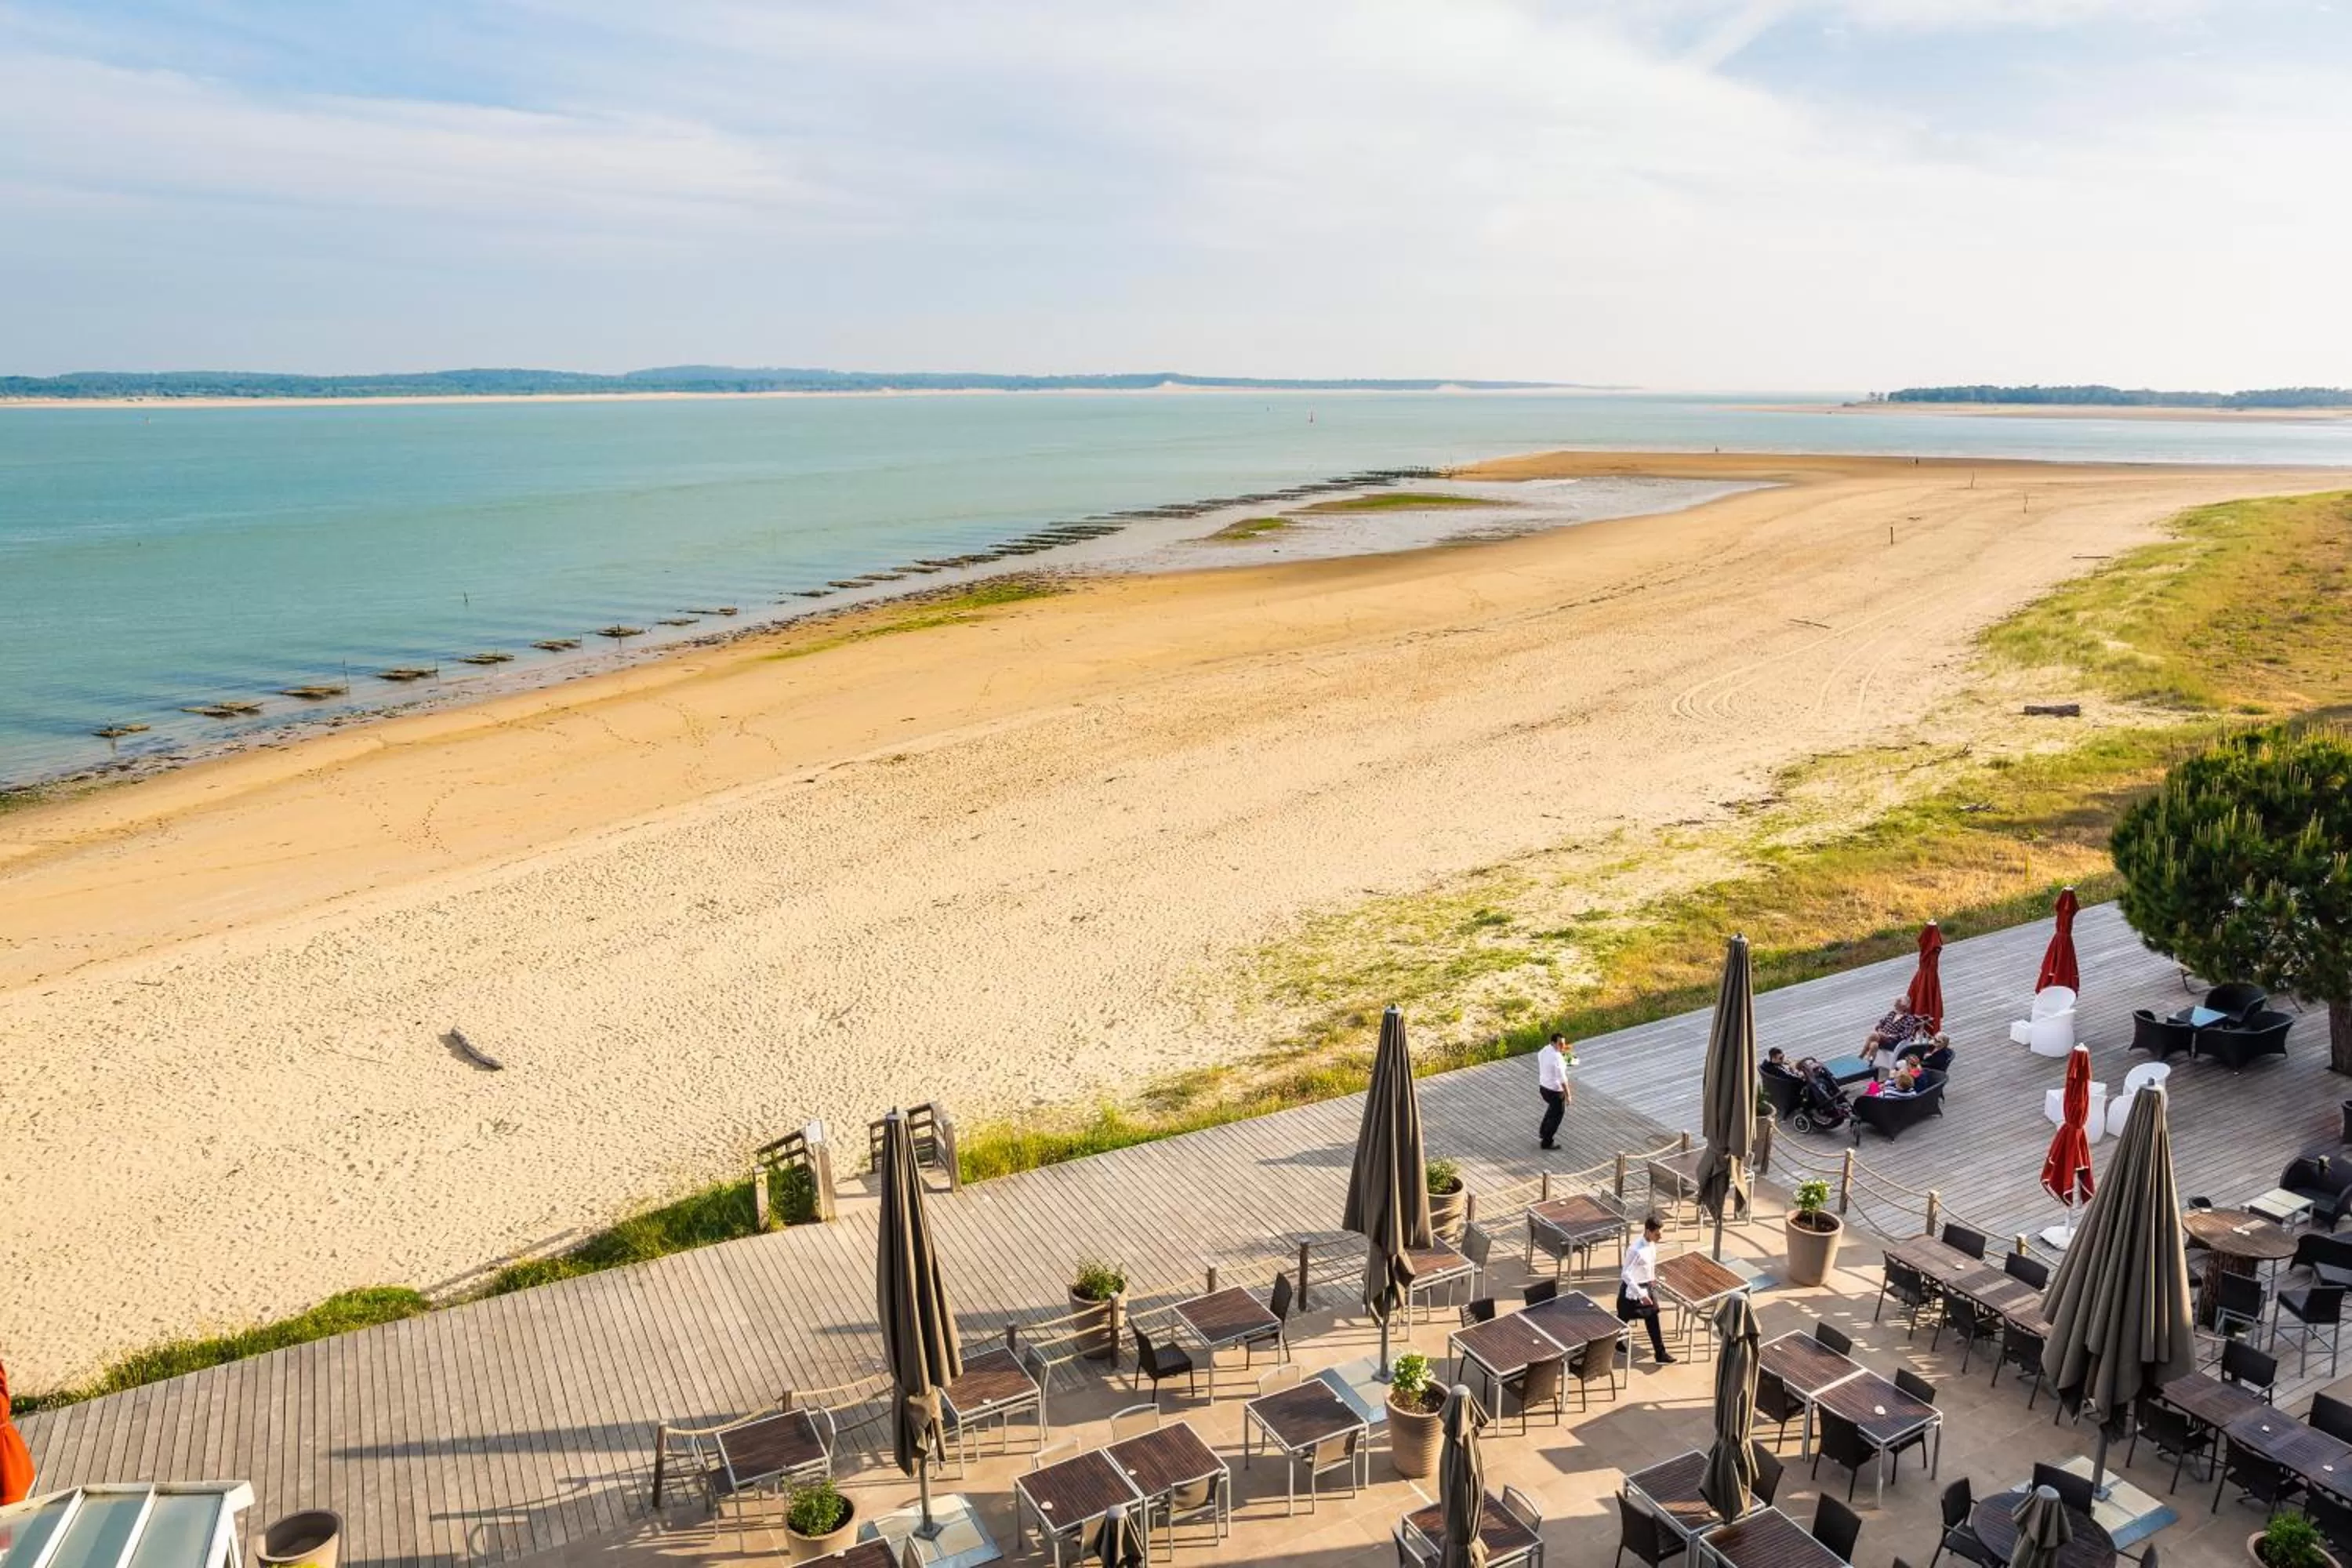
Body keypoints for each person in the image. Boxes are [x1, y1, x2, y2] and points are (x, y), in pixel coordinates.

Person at [1618, 1213, 1676, 1365]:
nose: (1660, 1237)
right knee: (1622, 1319)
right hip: (1632, 1292)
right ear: (1648, 1231)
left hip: (1647, 1287)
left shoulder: (1651, 1244)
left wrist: (1652, 1279)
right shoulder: (1635, 1250)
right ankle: (1616, 1342)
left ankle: (1660, 1354)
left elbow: (1649, 1265)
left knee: (1652, 1318)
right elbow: (1625, 1274)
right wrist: (1641, 1294)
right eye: (1657, 1234)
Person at [1536, 1033, 1573, 1149]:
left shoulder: (1545, 1050)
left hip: (1543, 1088)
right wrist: (1568, 1095)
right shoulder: (1557, 1058)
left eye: (1563, 1043)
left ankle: (1543, 1131)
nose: (1562, 1046)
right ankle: (1547, 1142)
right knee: (1557, 1116)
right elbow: (1563, 1079)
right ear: (1553, 1043)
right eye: (1560, 1044)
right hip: (1555, 1091)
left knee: (1552, 1110)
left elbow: (1540, 1056)